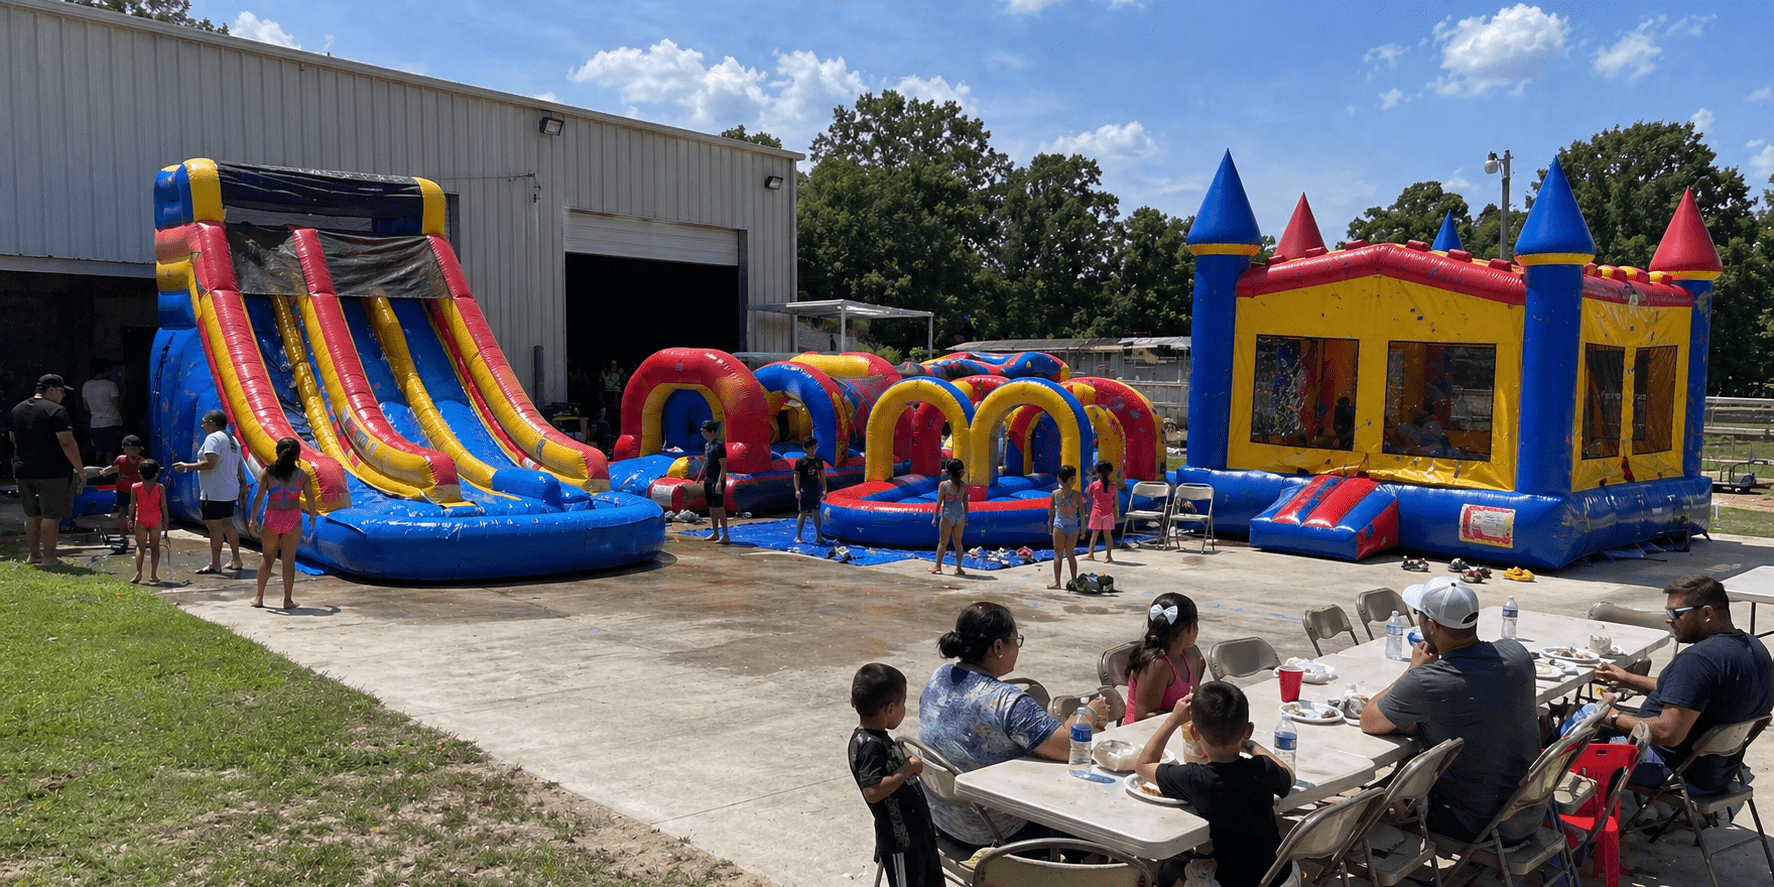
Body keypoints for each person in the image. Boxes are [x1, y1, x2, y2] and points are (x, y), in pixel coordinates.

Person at [1360, 576, 1541, 845]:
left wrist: (1413, 670)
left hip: (1477, 823)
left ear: (1431, 626)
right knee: (1406, 769)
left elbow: (1369, 720)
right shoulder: (1517, 654)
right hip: (1527, 812)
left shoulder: (1426, 681)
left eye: (1419, 615)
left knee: (1367, 815)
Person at [917, 602, 1108, 848]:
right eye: (1015, 640)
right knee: (1091, 817)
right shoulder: (1007, 701)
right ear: (998, 647)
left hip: (941, 822)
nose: (1017, 647)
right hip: (995, 831)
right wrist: (1090, 712)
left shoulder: (940, 676)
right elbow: (1068, 748)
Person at [1594, 574, 1774, 794]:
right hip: (1719, 770)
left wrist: (1611, 716)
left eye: (1675, 613)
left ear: (1707, 613)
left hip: (1674, 771)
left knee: (1574, 728)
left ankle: (1552, 812)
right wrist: (1626, 678)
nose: (1668, 620)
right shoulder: (1754, 647)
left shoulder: (1699, 660)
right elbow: (1684, 692)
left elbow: (1668, 733)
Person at [1135, 684, 1297, 887]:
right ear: (1248, 730)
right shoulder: (1262, 768)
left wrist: (1174, 720)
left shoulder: (1197, 778)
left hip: (1235, 883)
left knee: (1170, 871)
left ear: (1193, 732)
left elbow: (1142, 765)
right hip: (1282, 877)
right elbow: (1289, 776)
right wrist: (1248, 744)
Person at [849, 663, 942, 887]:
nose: (904, 709)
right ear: (890, 709)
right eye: (903, 703)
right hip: (901, 844)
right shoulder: (869, 745)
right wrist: (907, 769)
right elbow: (872, 791)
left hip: (918, 835)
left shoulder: (877, 737)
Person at [11, 374, 86, 567]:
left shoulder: (17, 409)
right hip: (52, 472)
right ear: (51, 390)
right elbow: (67, 442)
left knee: (31, 514)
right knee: (51, 515)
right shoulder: (57, 411)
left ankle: (33, 555)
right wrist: (80, 469)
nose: (62, 396)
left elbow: (13, 438)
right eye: (61, 391)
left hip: (23, 470)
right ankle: (50, 558)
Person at [246, 437, 318, 610]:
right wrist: (313, 516)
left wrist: (253, 519)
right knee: (288, 560)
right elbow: (310, 497)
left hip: (272, 517)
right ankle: (287, 600)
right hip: (292, 518)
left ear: (277, 452)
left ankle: (259, 597)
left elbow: (259, 497)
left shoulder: (268, 473)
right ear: (297, 455)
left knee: (268, 559)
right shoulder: (302, 475)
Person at [173, 409, 248, 574]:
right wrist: (242, 486)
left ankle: (215, 563)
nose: (202, 425)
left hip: (215, 490)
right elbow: (239, 466)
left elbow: (210, 463)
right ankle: (236, 559)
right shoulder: (232, 439)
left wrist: (186, 466)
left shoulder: (213, 438)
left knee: (214, 527)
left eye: (204, 422)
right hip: (230, 488)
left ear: (213, 423)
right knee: (228, 523)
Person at [1124, 593, 1207, 724]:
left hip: (1175, 728)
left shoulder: (1192, 656)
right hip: (1141, 735)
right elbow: (1141, 717)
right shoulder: (1157, 664)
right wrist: (1179, 715)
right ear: (1191, 628)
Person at [96, 433, 146, 551]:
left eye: (134, 449)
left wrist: (107, 471)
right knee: (128, 513)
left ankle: (130, 534)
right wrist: (106, 471)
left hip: (130, 490)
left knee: (129, 513)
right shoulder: (131, 460)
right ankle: (129, 534)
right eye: (131, 448)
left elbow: (115, 468)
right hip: (129, 490)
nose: (132, 451)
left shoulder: (133, 460)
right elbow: (114, 468)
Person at [128, 459, 167, 585]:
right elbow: (164, 506)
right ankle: (153, 575)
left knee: (140, 547)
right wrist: (166, 524)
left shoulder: (135, 487)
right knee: (155, 548)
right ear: (156, 473)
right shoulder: (160, 488)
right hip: (156, 519)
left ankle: (139, 572)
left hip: (141, 518)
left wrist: (130, 519)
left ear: (139, 474)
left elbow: (132, 506)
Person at [1047, 465, 1084, 590]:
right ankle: (1074, 580)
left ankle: (1058, 582)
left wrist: (1050, 525)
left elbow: (1051, 512)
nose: (1074, 481)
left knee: (1058, 554)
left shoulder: (1055, 494)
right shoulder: (1077, 495)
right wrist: (1082, 529)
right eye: (1072, 479)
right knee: (1069, 554)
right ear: (1064, 480)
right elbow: (1082, 514)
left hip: (1060, 526)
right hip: (1072, 527)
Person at [696, 419, 731, 544]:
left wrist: (719, 482)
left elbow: (723, 467)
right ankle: (715, 532)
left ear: (712, 431)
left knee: (719, 507)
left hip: (717, 480)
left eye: (705, 432)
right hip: (708, 479)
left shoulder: (719, 446)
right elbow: (708, 463)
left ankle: (725, 534)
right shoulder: (707, 445)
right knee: (711, 507)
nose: (703, 434)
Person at [83, 359, 124, 464]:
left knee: (98, 452)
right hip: (112, 423)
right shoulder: (111, 385)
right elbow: (117, 405)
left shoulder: (86, 385)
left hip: (95, 424)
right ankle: (111, 477)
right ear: (106, 370)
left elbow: (86, 407)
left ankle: (97, 476)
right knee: (111, 454)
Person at [931, 459, 967, 576]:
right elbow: (965, 503)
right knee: (958, 542)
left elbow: (939, 502)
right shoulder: (963, 486)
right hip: (960, 516)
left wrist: (935, 517)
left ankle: (938, 566)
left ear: (948, 472)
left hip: (947, 515)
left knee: (942, 542)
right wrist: (966, 517)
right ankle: (959, 568)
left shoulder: (944, 485)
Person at [792, 436, 826, 544]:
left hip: (815, 489)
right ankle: (798, 536)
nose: (814, 449)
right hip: (804, 490)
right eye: (812, 447)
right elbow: (796, 476)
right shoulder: (801, 461)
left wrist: (825, 489)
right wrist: (797, 490)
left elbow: (822, 475)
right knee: (803, 512)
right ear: (806, 448)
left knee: (816, 512)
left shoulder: (818, 461)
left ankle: (818, 535)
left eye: (815, 447)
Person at [1083, 460, 1118, 562]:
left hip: (1097, 512)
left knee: (1095, 534)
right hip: (1109, 513)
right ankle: (1108, 555)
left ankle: (1090, 554)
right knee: (1108, 535)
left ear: (1097, 473)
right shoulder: (1113, 486)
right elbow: (1115, 501)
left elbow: (1087, 494)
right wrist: (1116, 513)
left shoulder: (1094, 485)